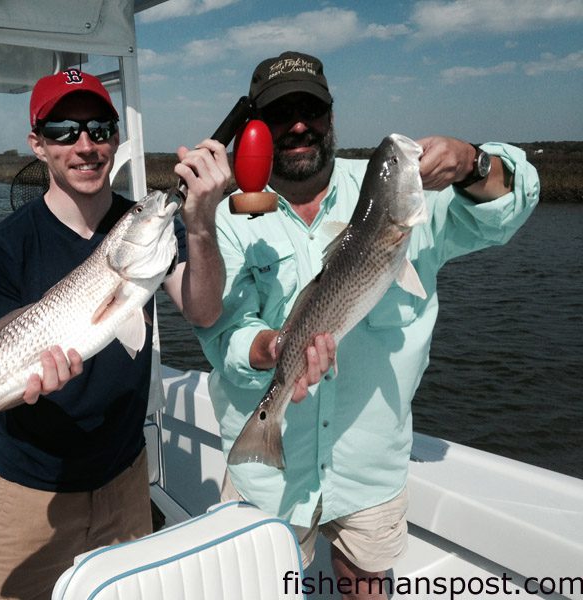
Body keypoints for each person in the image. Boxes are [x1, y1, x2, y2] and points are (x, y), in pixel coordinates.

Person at [194, 51, 539, 600]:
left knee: (367, 586)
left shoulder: (401, 195)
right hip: (269, 480)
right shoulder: (228, 211)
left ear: (332, 116)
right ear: (256, 126)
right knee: (259, 589)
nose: (300, 124)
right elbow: (220, 330)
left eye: (313, 108)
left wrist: (474, 162)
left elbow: (509, 209)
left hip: (370, 465)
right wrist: (273, 347)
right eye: (283, 114)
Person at [0, 68, 230, 599]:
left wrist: (200, 223)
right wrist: (24, 387)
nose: (85, 145)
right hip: (28, 491)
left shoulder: (147, 228)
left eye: (100, 128)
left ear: (115, 139)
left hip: (125, 480)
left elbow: (203, 310)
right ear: (38, 144)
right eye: (63, 130)